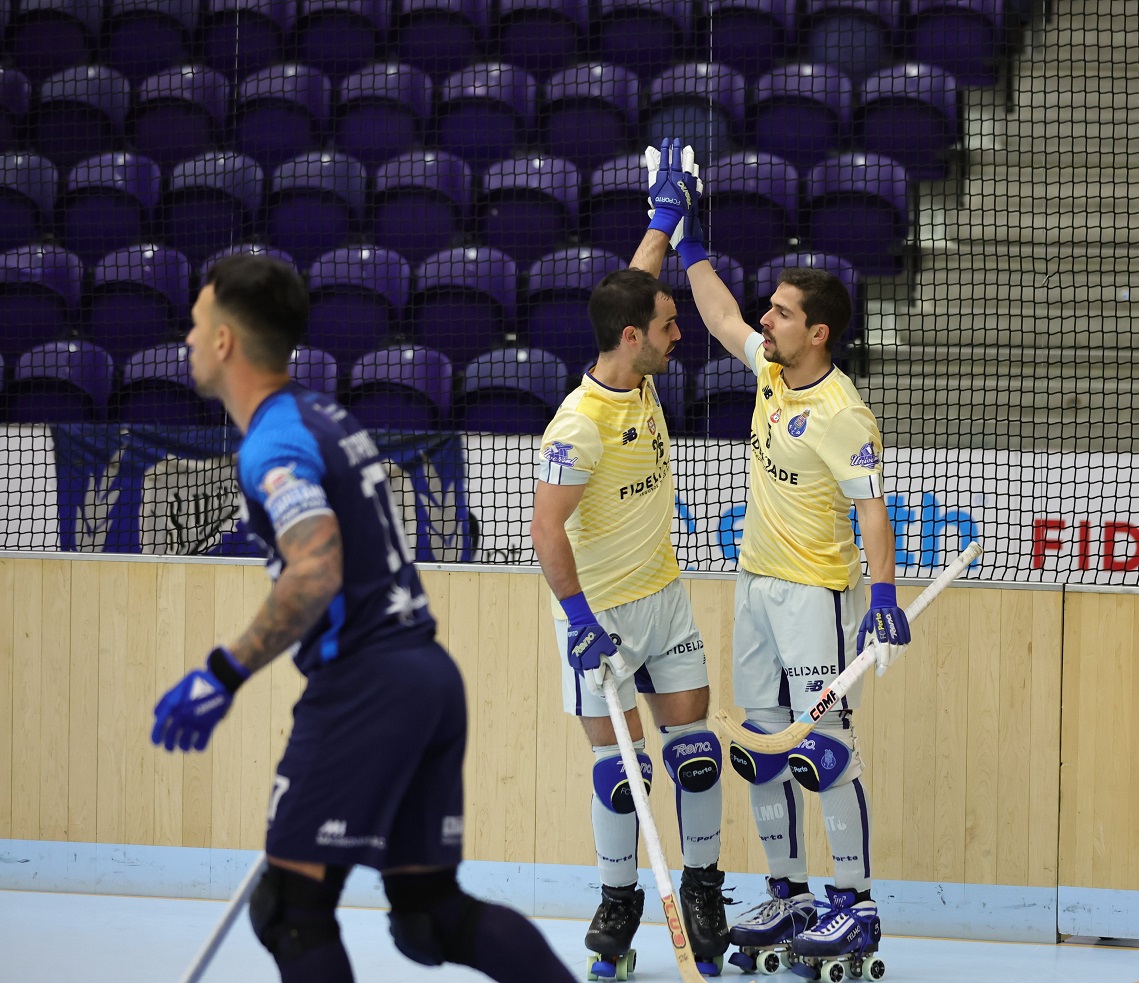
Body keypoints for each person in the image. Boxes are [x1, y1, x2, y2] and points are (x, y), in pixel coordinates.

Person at [150, 253, 577, 983]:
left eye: (195, 324)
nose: (187, 339)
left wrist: (223, 673)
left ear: (223, 340)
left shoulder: (275, 442)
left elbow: (315, 571)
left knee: (291, 908)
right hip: (426, 677)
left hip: (367, 684)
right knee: (429, 914)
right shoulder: (323, 414)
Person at [644, 138, 912, 980]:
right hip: (755, 585)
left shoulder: (842, 413)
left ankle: (853, 904)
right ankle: (788, 893)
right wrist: (688, 242)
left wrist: (882, 596)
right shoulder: (767, 368)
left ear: (817, 332)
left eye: (783, 313)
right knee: (757, 746)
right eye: (771, 309)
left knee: (820, 749)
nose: (766, 320)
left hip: (813, 594)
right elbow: (720, 314)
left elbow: (871, 508)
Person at [528, 232, 730, 975]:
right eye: (668, 326)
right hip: (598, 617)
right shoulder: (578, 426)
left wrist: (662, 224)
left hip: (663, 599)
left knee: (696, 757)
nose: (679, 335)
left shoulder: (637, 375)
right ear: (631, 337)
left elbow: (633, 286)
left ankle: (703, 892)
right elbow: (545, 529)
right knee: (621, 775)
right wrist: (580, 621)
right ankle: (618, 901)